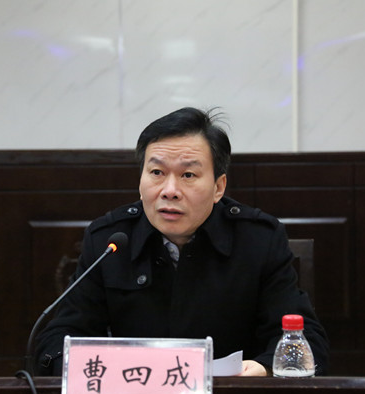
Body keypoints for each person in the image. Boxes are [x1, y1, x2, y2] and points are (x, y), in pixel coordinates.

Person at [35, 107, 329, 376]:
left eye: (188, 174)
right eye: (157, 173)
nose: (170, 190)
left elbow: (305, 342)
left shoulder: (258, 239)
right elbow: (59, 338)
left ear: (218, 187)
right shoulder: (110, 241)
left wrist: (263, 369)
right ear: (141, 180)